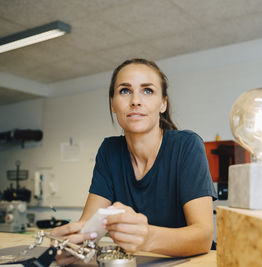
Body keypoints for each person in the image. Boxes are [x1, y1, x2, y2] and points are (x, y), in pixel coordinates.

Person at [51, 58, 217, 264]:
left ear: (163, 103)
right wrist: (74, 243)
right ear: (112, 103)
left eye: (147, 90)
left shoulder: (187, 145)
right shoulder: (109, 150)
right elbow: (89, 229)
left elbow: (203, 237)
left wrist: (146, 237)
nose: (135, 101)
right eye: (124, 91)